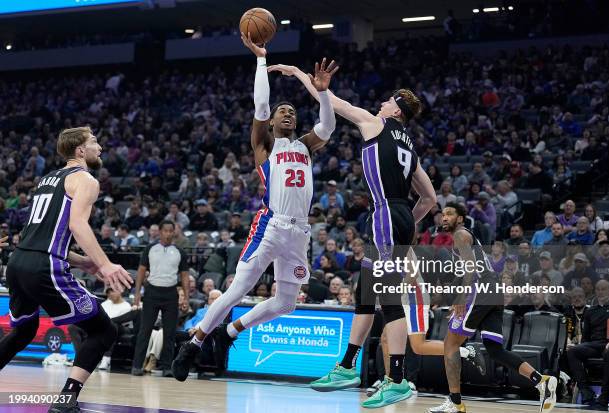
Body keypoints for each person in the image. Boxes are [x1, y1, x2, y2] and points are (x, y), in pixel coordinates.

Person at [270, 62, 483, 408]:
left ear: (396, 108)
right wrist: (408, 225)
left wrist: (301, 77)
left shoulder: (377, 123)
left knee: (386, 298)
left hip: (385, 213)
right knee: (365, 291)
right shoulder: (410, 147)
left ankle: (396, 379)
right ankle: (347, 365)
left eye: (387, 101)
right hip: (398, 215)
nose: (382, 103)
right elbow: (429, 198)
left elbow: (333, 102)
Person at [171, 37, 338, 382]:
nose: (289, 113)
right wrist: (262, 61)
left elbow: (328, 127)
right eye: (283, 111)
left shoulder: (305, 146)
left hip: (300, 232)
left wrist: (322, 92)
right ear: (273, 122)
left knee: (287, 303)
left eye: (293, 111)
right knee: (238, 289)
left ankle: (230, 331)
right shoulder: (265, 145)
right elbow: (261, 106)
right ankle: (194, 343)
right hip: (270, 225)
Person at [0, 127, 133, 413]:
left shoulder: (47, 179)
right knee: (103, 331)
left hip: (18, 262)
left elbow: (37, 237)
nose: (100, 147)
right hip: (43, 268)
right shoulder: (85, 179)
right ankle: (64, 403)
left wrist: (84, 261)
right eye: (95, 142)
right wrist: (106, 264)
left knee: (24, 331)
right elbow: (77, 225)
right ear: (80, 151)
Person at [429, 203, 556, 413]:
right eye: (443, 214)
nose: (444, 217)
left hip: (480, 290)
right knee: (495, 350)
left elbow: (470, 271)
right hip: (492, 292)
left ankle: (455, 402)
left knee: (450, 344)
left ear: (460, 219)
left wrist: (461, 299)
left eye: (450, 214)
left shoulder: (461, 235)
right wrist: (444, 295)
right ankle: (542, 381)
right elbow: (465, 272)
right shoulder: (462, 239)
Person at [132, 220, 190, 377]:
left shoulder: (180, 252)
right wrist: (137, 294)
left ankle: (166, 367)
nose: (168, 234)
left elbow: (185, 276)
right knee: (145, 330)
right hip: (151, 293)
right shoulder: (150, 249)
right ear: (160, 232)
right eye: (165, 230)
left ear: (174, 232)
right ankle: (137, 365)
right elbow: (141, 271)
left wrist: (186, 298)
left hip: (171, 293)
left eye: (171, 231)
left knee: (169, 333)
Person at [566, 280, 609, 410]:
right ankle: (585, 391)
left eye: (604, 289)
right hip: (594, 345)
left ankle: (604, 396)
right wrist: (580, 347)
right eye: (598, 289)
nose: (600, 292)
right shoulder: (590, 311)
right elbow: (586, 338)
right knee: (573, 351)